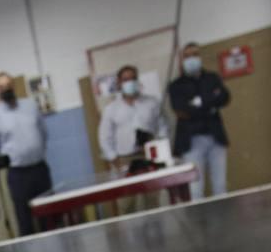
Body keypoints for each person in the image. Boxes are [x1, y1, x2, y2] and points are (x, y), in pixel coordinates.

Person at [0, 71, 52, 237]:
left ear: (13, 86)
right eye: (1, 87)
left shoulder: (30, 106)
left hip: (39, 169)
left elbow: (43, 133)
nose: (5, 89)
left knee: (49, 216)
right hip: (18, 175)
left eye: (8, 85)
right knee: (25, 220)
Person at [97, 64, 167, 213]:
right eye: (125, 79)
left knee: (153, 200)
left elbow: (162, 127)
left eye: (133, 78)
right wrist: (114, 159)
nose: (130, 82)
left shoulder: (152, 103)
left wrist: (160, 151)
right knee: (127, 204)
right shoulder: (111, 109)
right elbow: (104, 137)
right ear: (119, 83)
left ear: (138, 79)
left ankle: (156, 233)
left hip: (149, 157)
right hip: (124, 160)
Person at [166, 43, 231, 198]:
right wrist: (210, 104)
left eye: (195, 54)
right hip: (191, 141)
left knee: (220, 186)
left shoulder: (212, 78)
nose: (191, 58)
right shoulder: (176, 85)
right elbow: (181, 110)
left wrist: (197, 103)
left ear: (200, 57)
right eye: (187, 56)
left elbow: (224, 97)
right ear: (182, 60)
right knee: (195, 190)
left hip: (216, 137)